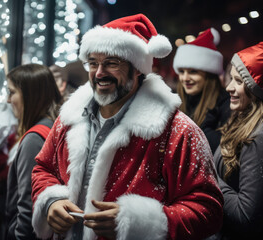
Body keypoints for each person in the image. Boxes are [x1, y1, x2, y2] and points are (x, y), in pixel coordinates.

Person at [31, 14, 223, 240]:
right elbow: (43, 169)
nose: (99, 73)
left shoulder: (178, 130)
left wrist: (137, 224)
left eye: (112, 63)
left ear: (138, 68)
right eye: (93, 63)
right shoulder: (69, 118)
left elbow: (208, 209)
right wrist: (52, 200)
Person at [212, 42, 263, 239]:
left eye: (239, 81)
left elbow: (245, 216)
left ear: (256, 89)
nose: (229, 87)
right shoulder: (241, 120)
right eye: (230, 79)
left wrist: (208, 176)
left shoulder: (257, 137)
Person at [5, 64, 62, 239]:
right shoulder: (54, 126)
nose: (8, 100)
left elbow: (27, 208)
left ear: (30, 96)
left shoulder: (34, 139)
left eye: (12, 92)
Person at [173, 28, 231, 153]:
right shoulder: (174, 102)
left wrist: (204, 128)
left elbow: (228, 151)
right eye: (182, 71)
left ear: (209, 75)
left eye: (193, 72)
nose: (185, 78)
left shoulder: (226, 104)